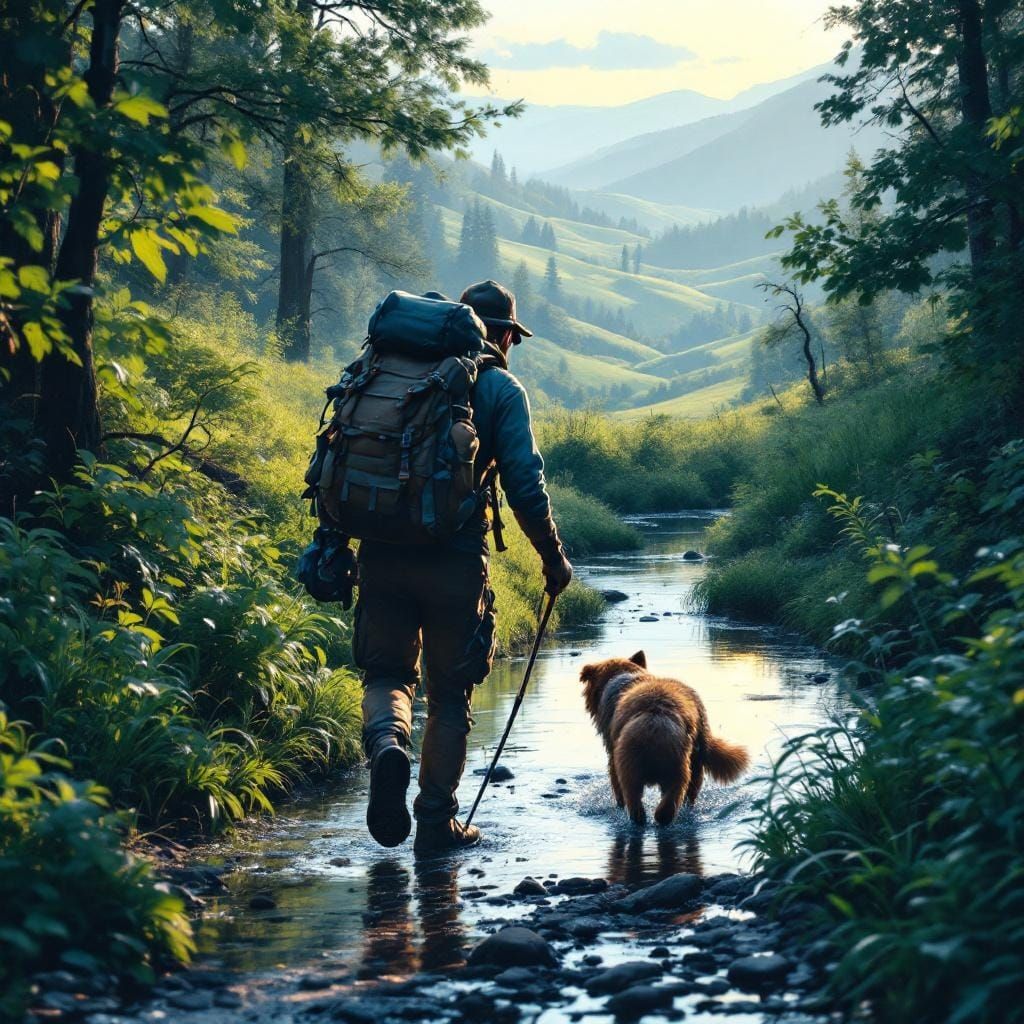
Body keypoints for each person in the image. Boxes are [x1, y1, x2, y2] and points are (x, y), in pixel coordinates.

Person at [355, 279, 573, 855]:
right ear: (501, 333)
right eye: (512, 338)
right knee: (449, 694)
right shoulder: (499, 387)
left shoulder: (388, 369)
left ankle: (387, 747)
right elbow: (526, 486)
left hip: (380, 550)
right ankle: (435, 820)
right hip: (453, 562)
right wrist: (553, 559)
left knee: (386, 676)